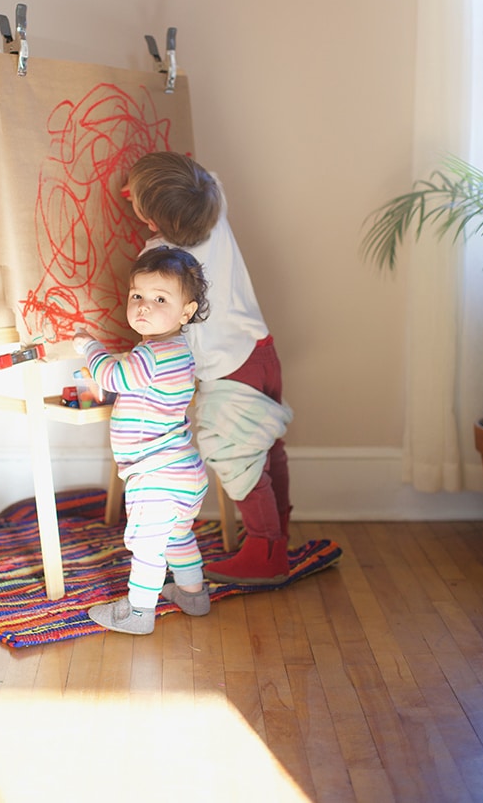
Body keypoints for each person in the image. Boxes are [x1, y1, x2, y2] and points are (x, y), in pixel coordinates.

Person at [124, 151, 294, 585]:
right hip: (259, 351)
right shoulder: (212, 211)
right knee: (267, 447)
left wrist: (146, 203)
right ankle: (278, 536)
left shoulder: (161, 258)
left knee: (237, 458)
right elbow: (208, 178)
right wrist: (159, 191)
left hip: (227, 370)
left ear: (148, 216)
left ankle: (265, 551)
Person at [73, 245, 212, 635]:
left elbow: (113, 377)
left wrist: (89, 347)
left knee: (148, 547)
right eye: (137, 296)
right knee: (178, 536)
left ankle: (138, 613)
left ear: (186, 311)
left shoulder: (148, 354)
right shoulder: (178, 350)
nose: (144, 307)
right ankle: (193, 594)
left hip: (156, 477)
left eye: (160, 299)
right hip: (185, 473)